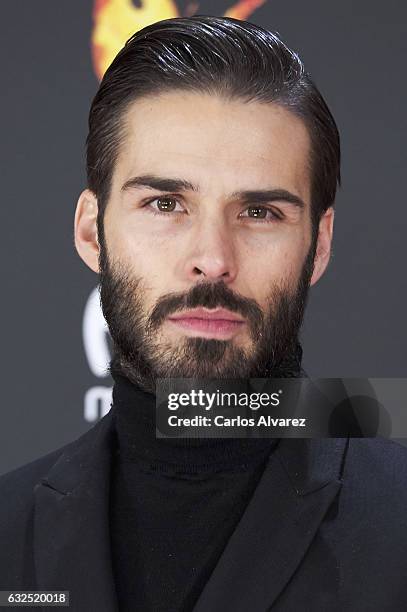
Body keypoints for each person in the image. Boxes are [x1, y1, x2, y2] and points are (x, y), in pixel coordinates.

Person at [1, 15, 406, 612]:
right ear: (92, 232)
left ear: (318, 246)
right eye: (165, 204)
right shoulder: (9, 529)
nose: (213, 260)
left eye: (261, 212)